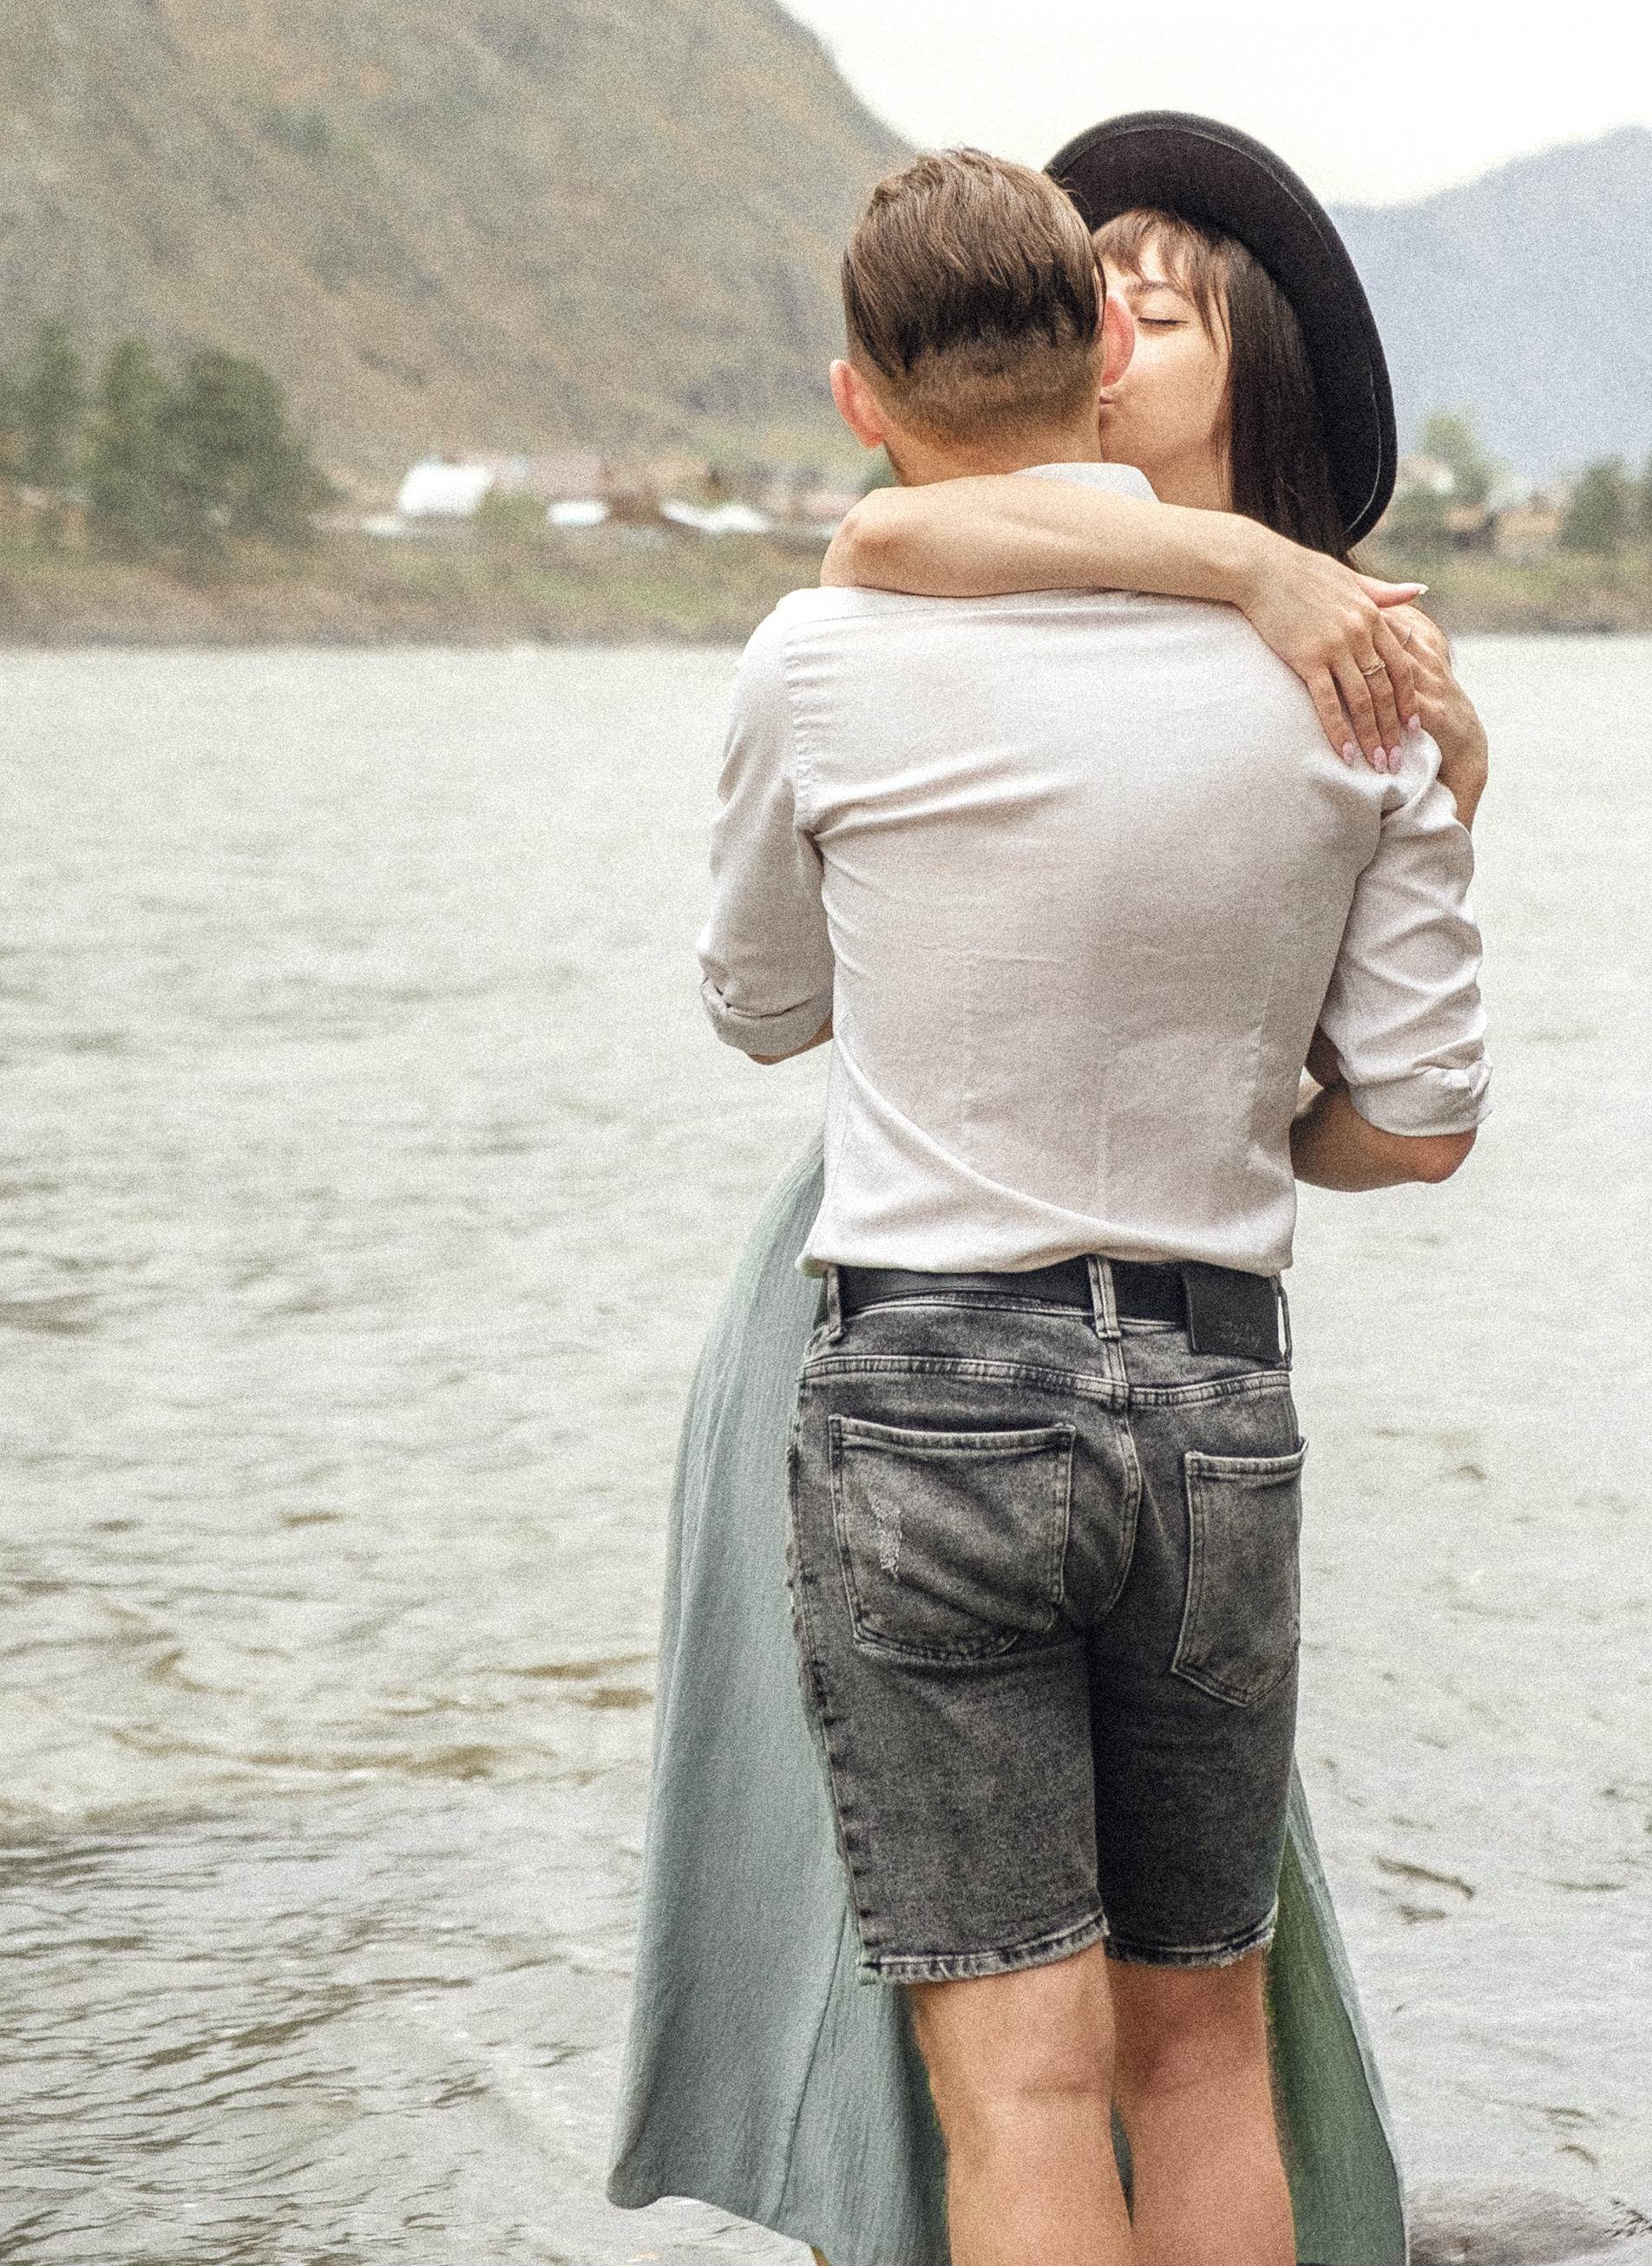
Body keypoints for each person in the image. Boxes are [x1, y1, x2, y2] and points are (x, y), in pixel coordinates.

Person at [610, 122, 1490, 2266]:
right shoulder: (1342, 679)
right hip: (1202, 1373)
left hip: (924, 1353)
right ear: (1086, 352)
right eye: (1123, 287)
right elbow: (1420, 1105)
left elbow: (766, 963)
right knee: (1186, 2035)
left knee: (1023, 2064)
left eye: (1175, 294)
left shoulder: (842, 645)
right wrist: (1256, 585)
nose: (1130, 313)